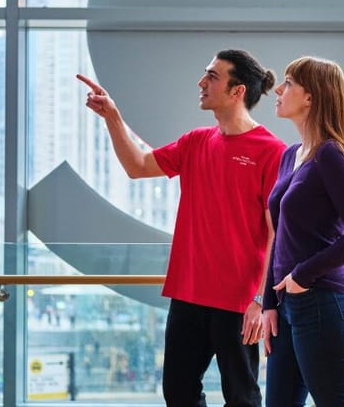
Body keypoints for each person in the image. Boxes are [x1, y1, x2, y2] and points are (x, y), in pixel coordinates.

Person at [78, 49, 286, 406]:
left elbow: (276, 234)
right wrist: (112, 116)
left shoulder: (271, 151)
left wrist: (259, 300)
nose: (201, 82)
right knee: (178, 392)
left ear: (237, 91)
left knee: (241, 397)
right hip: (188, 294)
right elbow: (138, 165)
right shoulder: (195, 142)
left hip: (239, 301)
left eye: (212, 76)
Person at [261, 56, 344, 407]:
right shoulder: (290, 155)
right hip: (286, 305)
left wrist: (302, 275)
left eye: (289, 83)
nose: (278, 90)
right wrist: (269, 303)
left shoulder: (331, 155)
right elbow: (278, 237)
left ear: (310, 98)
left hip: (324, 302)